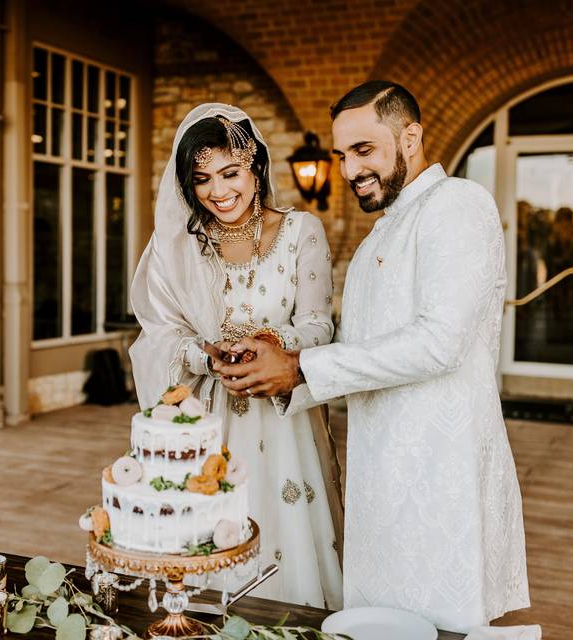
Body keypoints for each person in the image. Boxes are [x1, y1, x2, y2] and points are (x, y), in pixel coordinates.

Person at [214, 82, 530, 632]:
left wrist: (301, 368)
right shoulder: (381, 235)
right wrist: (282, 365)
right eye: (342, 155)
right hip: (380, 479)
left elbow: (441, 342)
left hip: (439, 477)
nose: (350, 168)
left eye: (365, 150)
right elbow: (359, 353)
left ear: (411, 138)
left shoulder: (457, 204)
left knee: (438, 626)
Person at [128, 103, 343, 609]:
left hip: (284, 421)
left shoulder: (300, 232)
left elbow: (319, 328)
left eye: (230, 173)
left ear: (256, 167)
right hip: (208, 421)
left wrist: (271, 348)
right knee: (208, 545)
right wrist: (205, 355)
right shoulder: (183, 247)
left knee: (284, 541)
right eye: (202, 180)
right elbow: (157, 333)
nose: (219, 191)